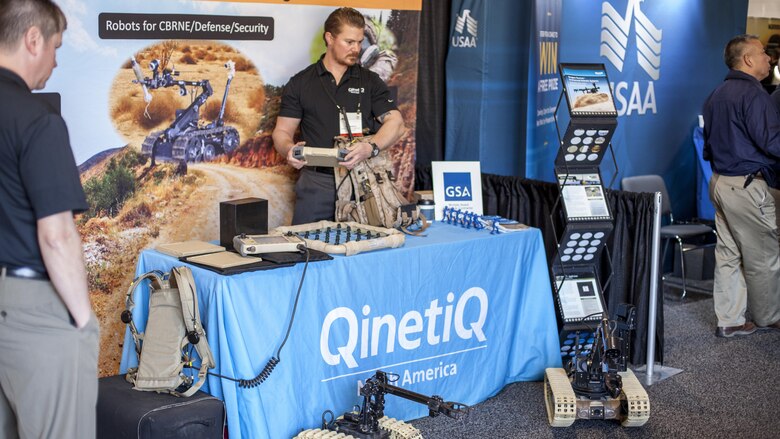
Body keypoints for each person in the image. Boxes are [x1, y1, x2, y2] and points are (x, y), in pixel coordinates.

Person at [0, 1, 99, 437]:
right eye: (56, 47)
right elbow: (57, 236)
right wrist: (84, 321)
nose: (57, 62)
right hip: (34, 309)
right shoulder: (38, 120)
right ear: (33, 39)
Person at [272, 7, 405, 225]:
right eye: (349, 42)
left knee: (365, 250)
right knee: (308, 249)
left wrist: (370, 147)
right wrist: (289, 149)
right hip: (317, 183)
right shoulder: (300, 83)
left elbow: (396, 123)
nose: (356, 48)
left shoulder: (370, 81)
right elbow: (282, 131)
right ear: (330, 38)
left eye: (360, 42)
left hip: (361, 180)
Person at [702, 34, 780, 338]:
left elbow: (708, 147)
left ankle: (731, 319)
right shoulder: (754, 95)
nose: (769, 59)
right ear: (747, 59)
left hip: (720, 183)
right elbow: (772, 142)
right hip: (747, 186)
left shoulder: (717, 94)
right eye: (762, 53)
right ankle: (769, 317)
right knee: (764, 256)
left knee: (729, 254)